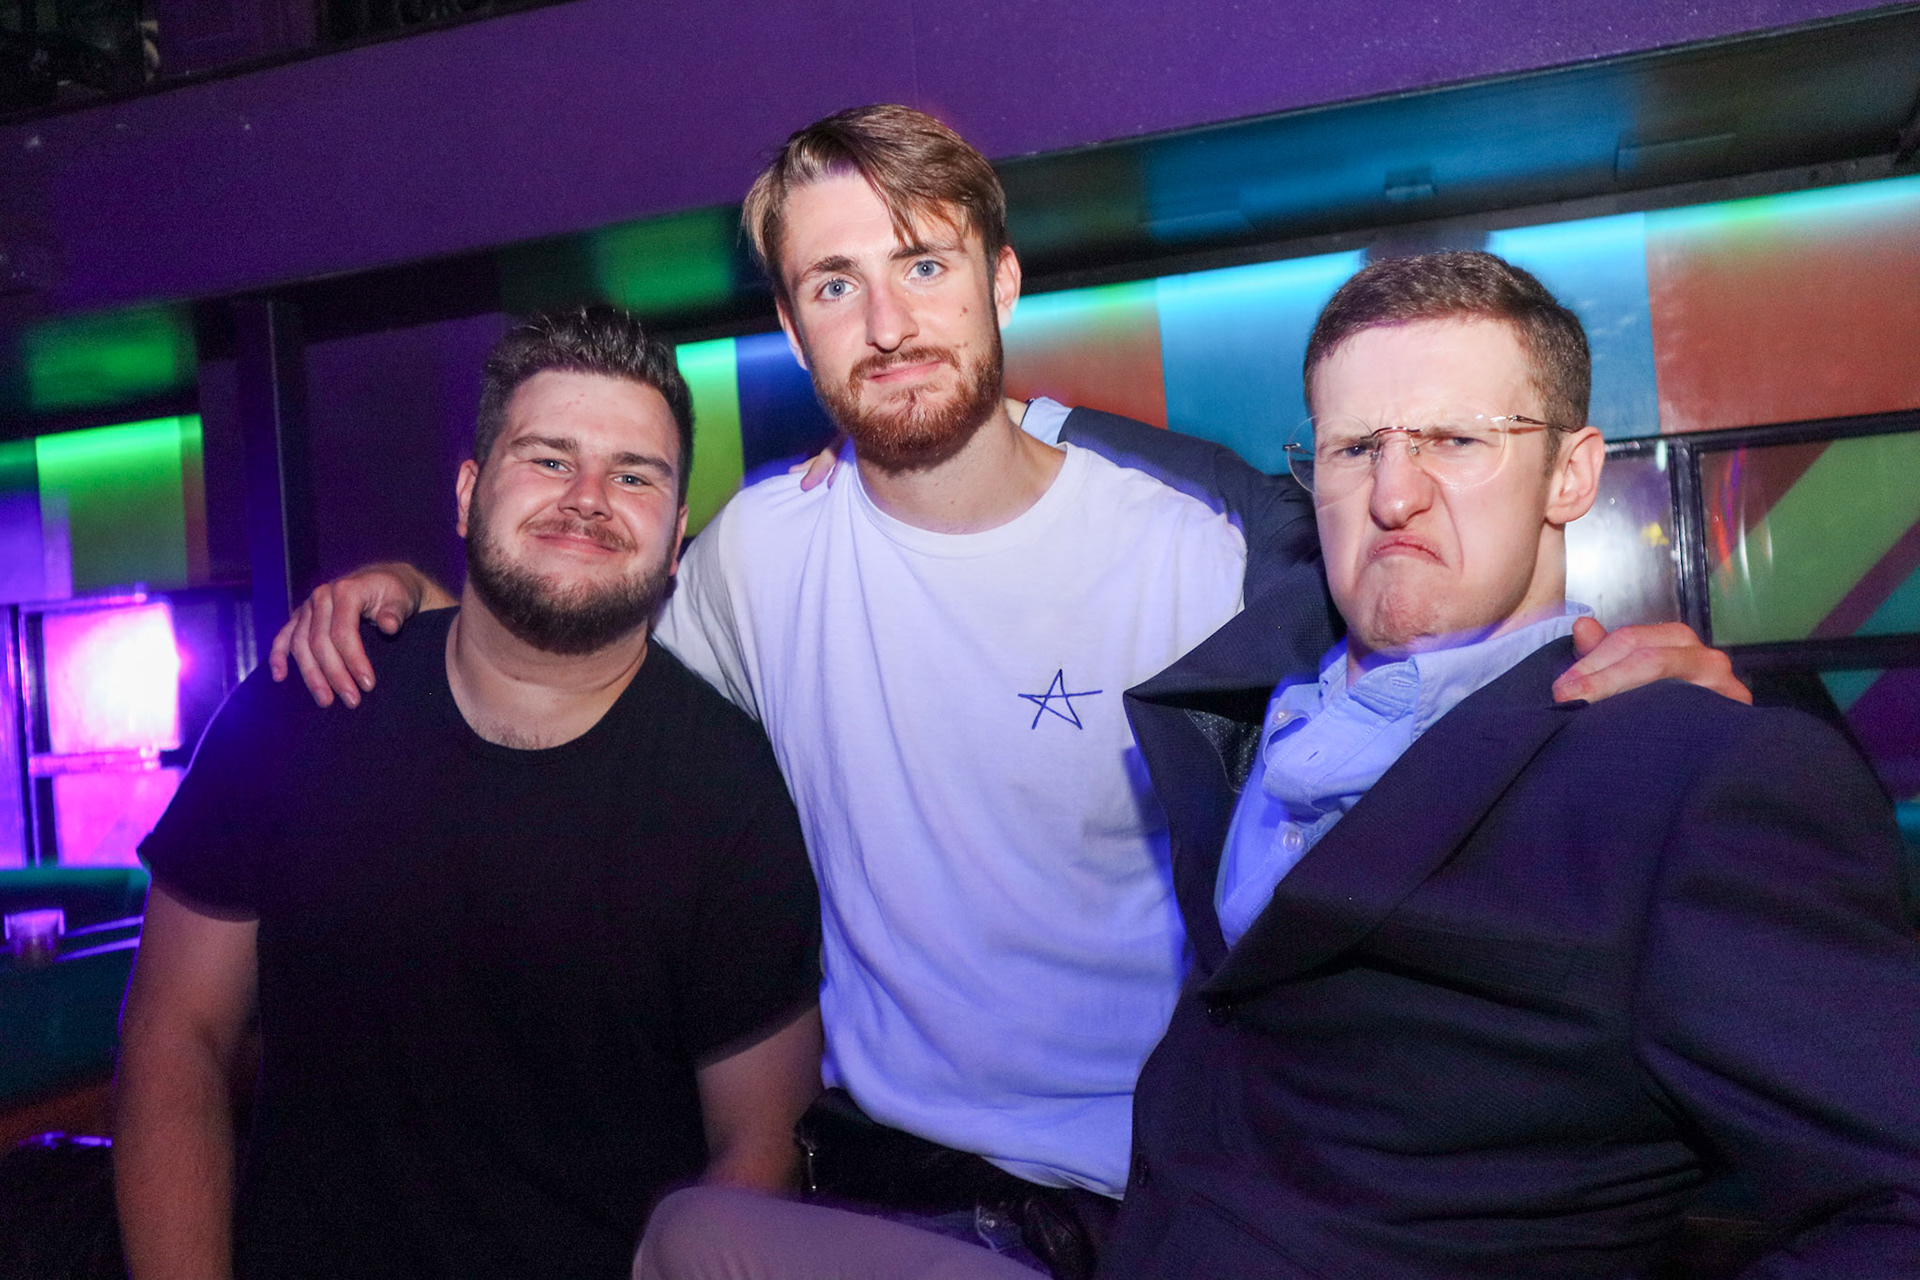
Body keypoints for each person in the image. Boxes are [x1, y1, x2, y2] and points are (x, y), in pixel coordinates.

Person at [270, 110, 1746, 1277]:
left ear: (1002, 281)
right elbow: (583, 652)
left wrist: (1608, 675)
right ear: (793, 326)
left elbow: (1423, 637)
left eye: (923, 265)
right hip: (876, 1183)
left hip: (1161, 1201)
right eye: (834, 283)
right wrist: (418, 598)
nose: (887, 320)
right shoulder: (759, 556)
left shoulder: (1197, 540)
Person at [1093, 250, 1920, 1277]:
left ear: (1570, 474)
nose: (1394, 493)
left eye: (1456, 439)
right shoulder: (1247, 707)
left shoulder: (1692, 779)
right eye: (1355, 447)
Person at [113, 307, 825, 1280]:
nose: (587, 497)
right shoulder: (304, 703)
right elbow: (174, 1038)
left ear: (674, 540)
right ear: (466, 492)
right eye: (548, 458)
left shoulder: (728, 795)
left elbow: (761, 1146)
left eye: (634, 475)